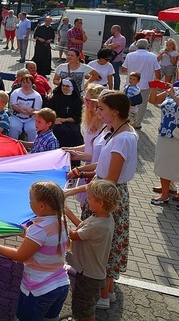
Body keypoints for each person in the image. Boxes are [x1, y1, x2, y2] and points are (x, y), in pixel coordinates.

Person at [65, 91, 138, 309]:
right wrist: (79, 171)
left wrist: (69, 193)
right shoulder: (115, 130)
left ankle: (102, 296)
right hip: (100, 192)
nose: (98, 112)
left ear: (115, 112)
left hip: (106, 197)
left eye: (102, 109)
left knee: (103, 247)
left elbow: (109, 180)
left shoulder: (123, 138)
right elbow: (101, 164)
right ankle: (107, 291)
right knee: (100, 244)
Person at [0, 181, 69, 321]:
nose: (29, 203)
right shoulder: (61, 221)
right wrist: (27, 234)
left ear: (41, 206)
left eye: (31, 200)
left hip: (39, 289)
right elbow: (47, 242)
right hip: (61, 285)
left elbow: (20, 256)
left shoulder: (40, 229)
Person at [64, 179, 119, 321]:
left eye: (89, 198)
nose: (87, 200)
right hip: (94, 273)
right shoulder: (106, 218)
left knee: (85, 309)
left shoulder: (96, 225)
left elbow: (75, 235)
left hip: (89, 277)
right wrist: (68, 212)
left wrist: (62, 223)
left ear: (100, 203)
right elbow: (83, 226)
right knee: (82, 305)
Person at [148, 64, 179, 212]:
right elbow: (153, 101)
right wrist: (154, 86)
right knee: (164, 165)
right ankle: (165, 194)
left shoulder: (178, 93)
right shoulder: (175, 90)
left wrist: (174, 95)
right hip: (165, 133)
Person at [121, 39, 160, 129]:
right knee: (142, 105)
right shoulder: (153, 56)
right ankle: (137, 124)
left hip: (130, 84)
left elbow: (123, 69)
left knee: (127, 104)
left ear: (137, 45)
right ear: (147, 46)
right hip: (145, 85)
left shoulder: (130, 55)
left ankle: (126, 122)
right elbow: (157, 71)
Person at [45, 79, 84, 148]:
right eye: (63, 86)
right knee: (55, 130)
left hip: (71, 123)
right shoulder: (55, 98)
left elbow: (78, 117)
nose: (65, 88)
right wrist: (54, 119)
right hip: (56, 121)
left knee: (72, 132)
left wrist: (65, 120)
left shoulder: (77, 100)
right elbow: (49, 111)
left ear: (72, 87)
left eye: (67, 86)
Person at [8, 74, 43, 142]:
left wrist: (21, 107)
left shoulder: (37, 96)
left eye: (28, 82)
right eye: (23, 82)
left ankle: (32, 148)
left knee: (32, 129)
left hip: (31, 119)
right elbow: (14, 106)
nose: (25, 84)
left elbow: (36, 111)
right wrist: (28, 110)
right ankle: (12, 145)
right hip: (16, 117)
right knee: (13, 128)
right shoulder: (16, 92)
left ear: (32, 83)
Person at [103, 25, 126, 90]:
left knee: (115, 75)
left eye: (111, 29)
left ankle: (116, 89)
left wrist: (109, 46)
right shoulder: (111, 38)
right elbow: (104, 45)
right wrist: (109, 45)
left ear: (115, 30)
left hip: (116, 59)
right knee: (107, 74)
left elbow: (114, 46)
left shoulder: (122, 38)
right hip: (109, 59)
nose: (110, 31)